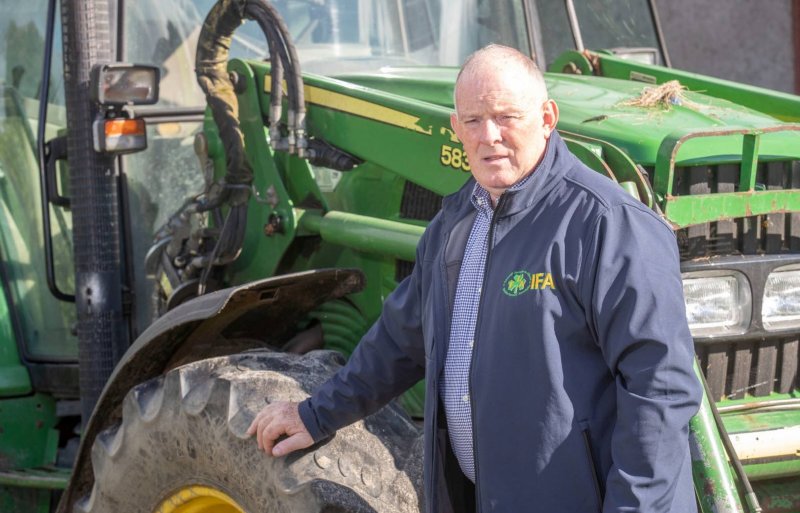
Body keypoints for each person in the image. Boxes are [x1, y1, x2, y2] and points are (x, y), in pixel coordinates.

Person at [247, 44, 702, 513]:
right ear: (454, 128)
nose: (489, 136)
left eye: (506, 117)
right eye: (472, 121)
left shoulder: (607, 224)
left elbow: (659, 387)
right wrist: (318, 414)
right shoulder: (455, 221)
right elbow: (401, 340)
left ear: (547, 118)